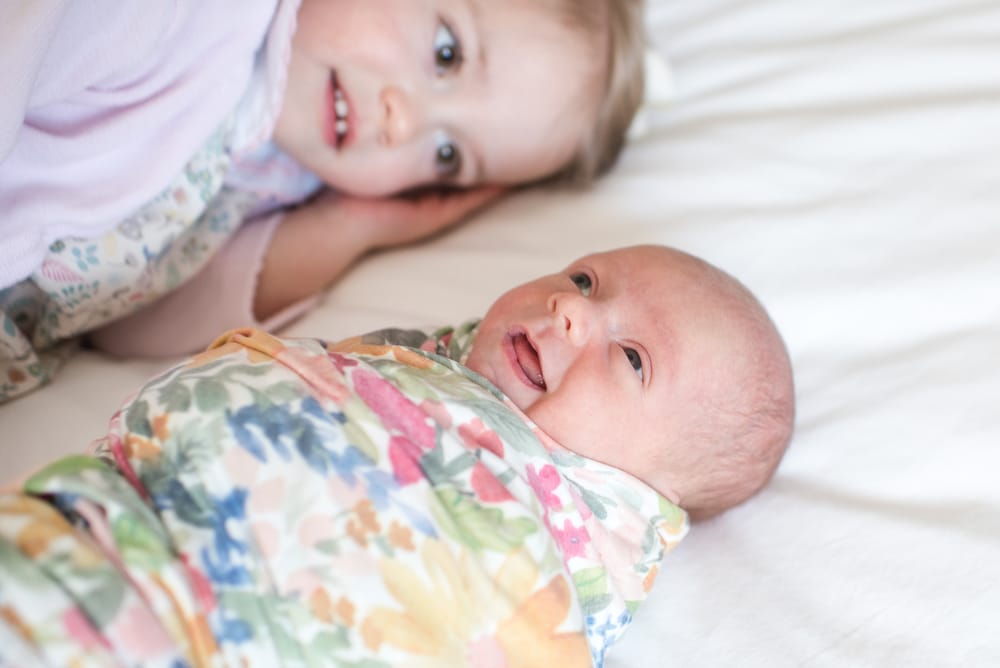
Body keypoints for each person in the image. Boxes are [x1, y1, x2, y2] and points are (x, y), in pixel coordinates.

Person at [0, 245, 794, 667]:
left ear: (647, 494)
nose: (570, 310)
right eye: (586, 279)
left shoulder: (564, 551)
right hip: (90, 532)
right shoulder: (420, 368)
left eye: (632, 360)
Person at [0, 0, 648, 403]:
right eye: (446, 52)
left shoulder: (279, 170)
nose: (404, 124)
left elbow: (127, 321)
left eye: (448, 155)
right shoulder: (182, 19)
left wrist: (352, 228)